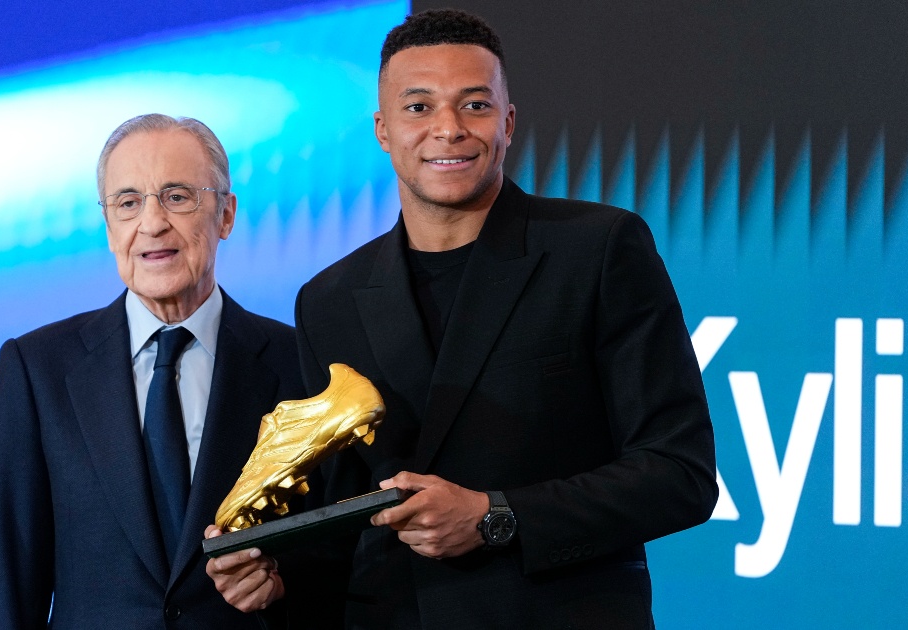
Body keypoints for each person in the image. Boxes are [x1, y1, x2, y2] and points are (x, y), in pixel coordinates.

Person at [208, 9, 718, 629]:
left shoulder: (600, 248)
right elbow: (343, 524)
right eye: (418, 107)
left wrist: (493, 515)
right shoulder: (329, 299)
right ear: (383, 129)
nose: (448, 129)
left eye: (474, 105)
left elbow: (678, 474)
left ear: (507, 122)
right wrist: (274, 575)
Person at [0, 114, 304, 629]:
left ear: (226, 215)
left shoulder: (295, 360)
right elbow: (8, 581)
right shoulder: (37, 369)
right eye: (128, 203)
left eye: (177, 197)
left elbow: (340, 554)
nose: (152, 224)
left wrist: (281, 580)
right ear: (109, 228)